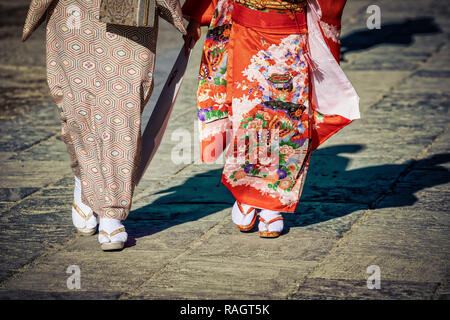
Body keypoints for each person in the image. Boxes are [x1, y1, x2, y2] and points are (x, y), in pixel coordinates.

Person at [182, 0, 360, 238]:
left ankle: (270, 204)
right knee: (249, 114)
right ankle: (246, 192)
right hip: (246, 29)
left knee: (289, 119)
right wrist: (197, 14)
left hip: (291, 32)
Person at [22, 0, 185, 250]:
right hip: (73, 11)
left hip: (128, 11)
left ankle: (111, 211)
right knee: (77, 108)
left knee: (122, 109)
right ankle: (84, 177)